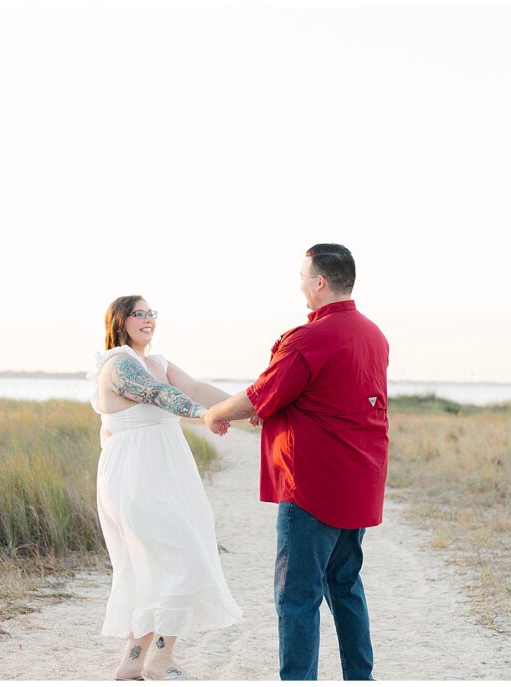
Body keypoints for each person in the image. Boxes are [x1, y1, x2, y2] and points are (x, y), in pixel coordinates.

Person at [204, 244, 389, 681]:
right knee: (345, 586)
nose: (300, 284)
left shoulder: (312, 338)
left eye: (303, 276)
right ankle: (360, 677)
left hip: (313, 487)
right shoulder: (373, 335)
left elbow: (261, 393)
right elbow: (314, 396)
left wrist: (214, 414)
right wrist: (268, 405)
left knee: (297, 596)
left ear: (319, 282)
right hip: (357, 481)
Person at [87, 295, 243, 681]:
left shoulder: (156, 363)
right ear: (120, 321)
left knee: (152, 569)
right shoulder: (119, 363)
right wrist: (204, 415)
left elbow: (196, 387)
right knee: (186, 560)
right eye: (138, 313)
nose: (147, 319)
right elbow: (161, 395)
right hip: (134, 476)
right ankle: (159, 660)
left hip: (165, 474)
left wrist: (251, 408)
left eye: (150, 313)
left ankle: (132, 662)